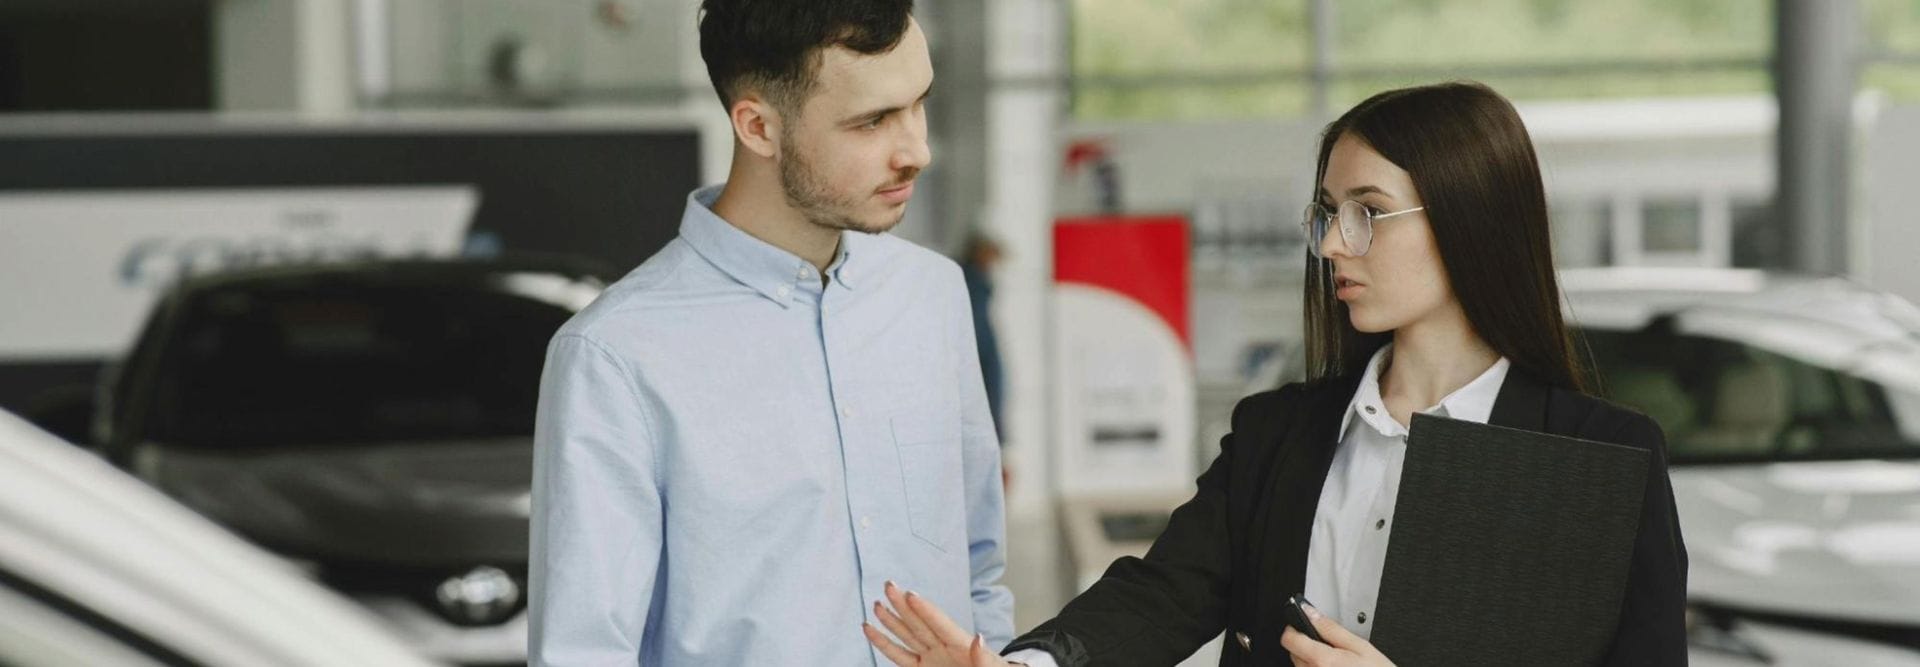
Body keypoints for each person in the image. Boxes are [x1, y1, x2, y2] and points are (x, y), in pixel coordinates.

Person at [861, 81, 1687, 667]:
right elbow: (1159, 595)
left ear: (1470, 216)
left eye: (1367, 212)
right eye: (1329, 214)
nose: (1332, 243)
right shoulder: (1279, 433)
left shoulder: (1602, 461)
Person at [528, 1, 1014, 664]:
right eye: (872, 121)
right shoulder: (615, 355)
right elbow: (585, 653)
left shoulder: (932, 295)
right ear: (757, 126)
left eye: (918, 103)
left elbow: (979, 571)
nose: (917, 151)